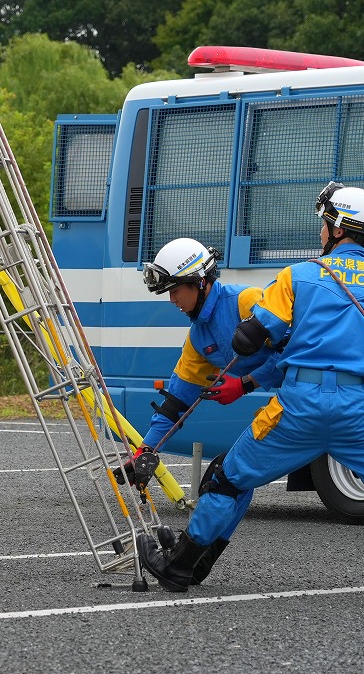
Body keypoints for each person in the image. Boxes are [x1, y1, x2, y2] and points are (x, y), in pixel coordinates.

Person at [139, 183, 364, 608]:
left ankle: (180, 564)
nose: (321, 230)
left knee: (229, 479)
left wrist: (245, 363)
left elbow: (255, 334)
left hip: (298, 405)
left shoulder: (297, 275)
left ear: (335, 228)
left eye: (324, 222)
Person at [133, 237, 283, 583]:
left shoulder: (246, 302)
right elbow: (176, 402)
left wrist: (246, 383)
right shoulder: (198, 337)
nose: (172, 301)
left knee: (228, 476)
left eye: (175, 291)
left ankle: (184, 565)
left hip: (307, 399)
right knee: (229, 476)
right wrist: (145, 450)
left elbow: (298, 350)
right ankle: (194, 564)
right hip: (291, 405)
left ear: (199, 282)